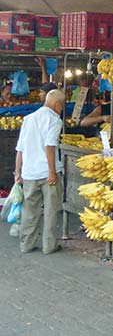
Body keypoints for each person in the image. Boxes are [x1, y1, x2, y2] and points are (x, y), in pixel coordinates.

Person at [14, 89, 66, 254]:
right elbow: (50, 146)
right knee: (51, 210)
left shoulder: (28, 119)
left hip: (29, 172)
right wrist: (52, 172)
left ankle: (26, 244)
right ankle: (49, 246)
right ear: (58, 105)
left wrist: (18, 172)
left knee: (29, 210)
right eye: (62, 105)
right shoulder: (54, 120)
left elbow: (20, 149)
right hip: (47, 172)